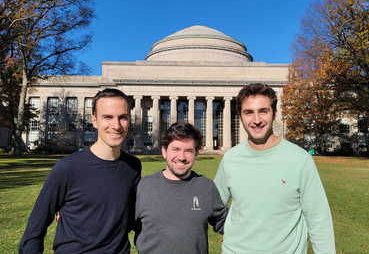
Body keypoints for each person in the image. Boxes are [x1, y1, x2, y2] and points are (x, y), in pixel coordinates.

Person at [213, 83, 336, 254]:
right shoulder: (230, 159)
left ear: (274, 113)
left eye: (263, 111)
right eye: (249, 112)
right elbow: (212, 205)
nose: (256, 120)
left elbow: (318, 219)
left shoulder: (300, 160)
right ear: (240, 117)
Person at [19, 88, 142, 254]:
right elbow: (35, 228)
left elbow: (128, 215)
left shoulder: (133, 166)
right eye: (108, 117)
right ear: (94, 121)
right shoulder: (68, 167)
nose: (116, 125)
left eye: (123, 117)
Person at [134, 122, 228, 254]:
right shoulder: (144, 186)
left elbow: (227, 224)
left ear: (196, 154)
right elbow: (122, 227)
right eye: (176, 149)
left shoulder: (206, 187)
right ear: (164, 151)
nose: (182, 157)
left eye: (189, 151)